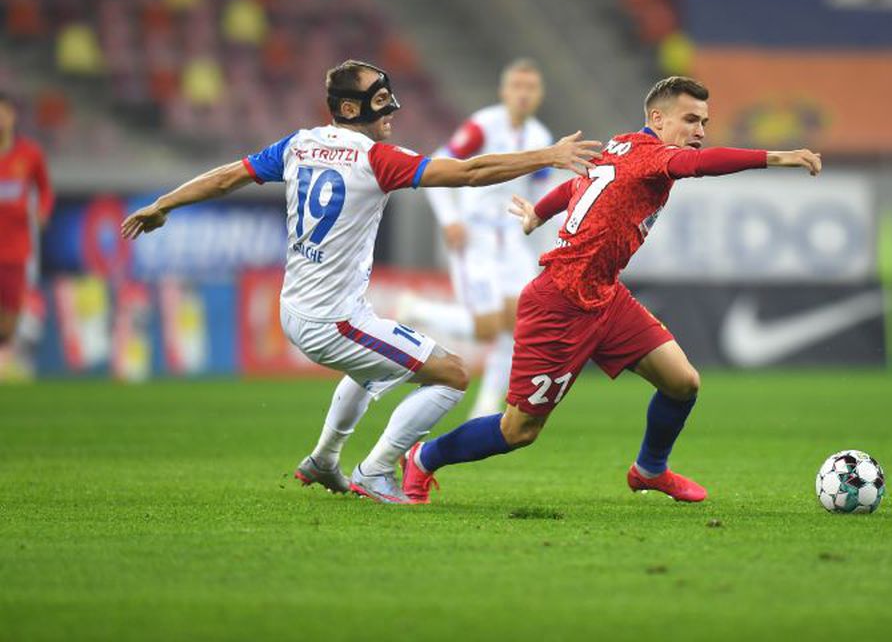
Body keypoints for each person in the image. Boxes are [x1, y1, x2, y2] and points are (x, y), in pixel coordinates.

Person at [120, 60, 600, 503]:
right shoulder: (378, 160)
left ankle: (324, 459)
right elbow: (471, 172)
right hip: (334, 322)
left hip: (297, 308)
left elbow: (229, 177)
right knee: (452, 375)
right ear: (351, 109)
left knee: (372, 368)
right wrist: (549, 155)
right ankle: (376, 470)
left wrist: (163, 204)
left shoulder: (299, 144)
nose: (391, 109)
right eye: (381, 100)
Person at [401, 76, 822, 504]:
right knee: (518, 430)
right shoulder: (655, 156)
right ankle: (422, 457)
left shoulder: (622, 146)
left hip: (604, 296)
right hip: (558, 303)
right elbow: (700, 164)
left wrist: (539, 214)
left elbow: (576, 184)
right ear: (657, 118)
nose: (699, 131)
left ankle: (650, 470)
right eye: (690, 120)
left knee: (682, 383)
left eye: (704, 122)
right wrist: (776, 157)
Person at [412, 58, 555, 419]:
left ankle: (486, 406)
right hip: (475, 235)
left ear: (540, 94)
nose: (523, 94)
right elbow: (437, 164)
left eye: (530, 87)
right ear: (504, 91)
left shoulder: (540, 138)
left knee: (519, 323)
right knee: (487, 327)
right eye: (517, 86)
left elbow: (541, 191)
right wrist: (450, 219)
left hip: (512, 239)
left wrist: (538, 225)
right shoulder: (482, 126)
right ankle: (415, 310)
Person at [0, 94, 53, 380]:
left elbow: (44, 189)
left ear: (13, 117)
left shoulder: (29, 154)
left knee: (11, 314)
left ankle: (4, 354)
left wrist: (42, 211)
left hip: (15, 250)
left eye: (4, 113)